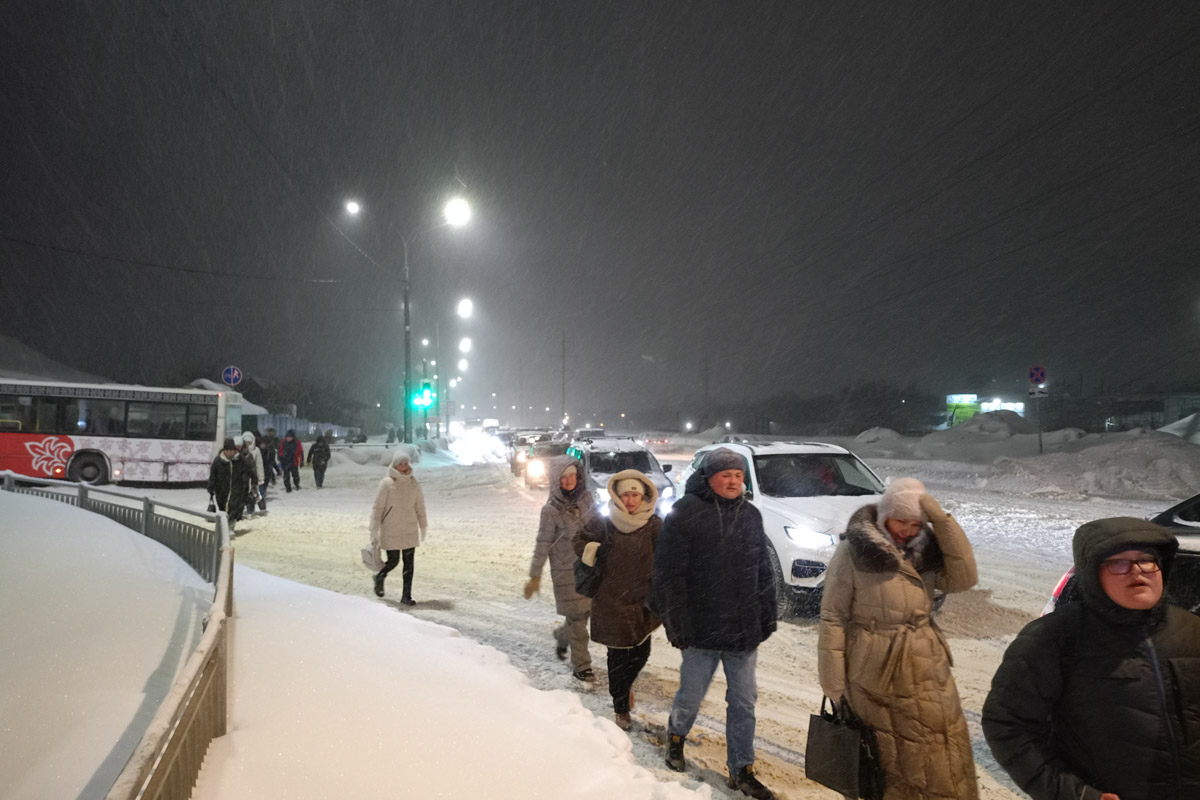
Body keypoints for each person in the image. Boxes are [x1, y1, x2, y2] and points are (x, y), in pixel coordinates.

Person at [982, 517, 1200, 800]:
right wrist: (1077, 795)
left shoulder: (1192, 631)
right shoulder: (1054, 638)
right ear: (1092, 574)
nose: (1137, 572)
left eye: (1147, 559)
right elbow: (1008, 726)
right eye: (1119, 563)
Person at [817, 477, 979, 800]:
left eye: (915, 522)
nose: (907, 529)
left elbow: (965, 578)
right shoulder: (854, 552)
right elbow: (834, 617)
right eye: (900, 520)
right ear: (884, 515)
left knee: (940, 752)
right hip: (874, 670)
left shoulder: (926, 550)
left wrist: (941, 520)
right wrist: (833, 684)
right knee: (889, 762)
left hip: (927, 664)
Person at [651, 447, 777, 799]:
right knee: (690, 697)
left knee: (744, 702)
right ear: (709, 478)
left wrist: (766, 613)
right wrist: (675, 622)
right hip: (700, 630)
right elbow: (668, 575)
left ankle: (742, 769)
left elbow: (762, 569)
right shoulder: (685, 513)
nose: (734, 481)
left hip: (742, 631)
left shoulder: (751, 516)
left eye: (739, 475)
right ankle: (676, 737)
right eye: (727, 475)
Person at [573, 470, 662, 730]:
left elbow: (666, 554)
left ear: (643, 495)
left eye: (635, 494)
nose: (631, 500)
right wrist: (592, 550)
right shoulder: (605, 522)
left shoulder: (654, 523)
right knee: (617, 656)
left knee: (641, 652)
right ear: (617, 496)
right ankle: (621, 707)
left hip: (642, 601)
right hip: (611, 599)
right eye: (626, 495)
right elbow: (578, 539)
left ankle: (626, 686)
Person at [524, 456, 596, 681]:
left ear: (579, 476)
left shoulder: (587, 500)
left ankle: (562, 635)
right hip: (566, 571)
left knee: (584, 614)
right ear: (556, 480)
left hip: (589, 568)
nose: (568, 481)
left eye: (572, 475)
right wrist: (535, 576)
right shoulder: (551, 510)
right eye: (563, 477)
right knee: (577, 619)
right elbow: (542, 543)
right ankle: (582, 666)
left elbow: (598, 530)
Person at [368, 451, 427, 605]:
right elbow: (378, 507)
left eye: (406, 463)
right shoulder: (386, 483)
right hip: (391, 528)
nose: (404, 466)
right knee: (393, 561)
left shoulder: (414, 483)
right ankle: (380, 576)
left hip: (409, 528)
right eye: (401, 463)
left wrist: (423, 525)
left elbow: (420, 506)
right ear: (395, 465)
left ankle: (406, 596)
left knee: (409, 565)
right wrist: (374, 528)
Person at [207, 437, 250, 528]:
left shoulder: (240, 460)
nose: (230, 453)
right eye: (228, 450)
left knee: (233, 508)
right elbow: (213, 475)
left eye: (232, 450)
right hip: (221, 490)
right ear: (224, 450)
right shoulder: (218, 461)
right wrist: (211, 487)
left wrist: (250, 482)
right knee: (223, 509)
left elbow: (247, 471)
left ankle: (230, 527)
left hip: (236, 489)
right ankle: (224, 527)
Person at [240, 431, 264, 518]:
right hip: (242, 477)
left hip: (253, 476)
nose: (248, 444)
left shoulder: (256, 450)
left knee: (252, 495)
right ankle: (240, 510)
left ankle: (251, 511)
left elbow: (259, 464)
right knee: (242, 495)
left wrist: (261, 477)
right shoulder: (240, 450)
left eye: (249, 442)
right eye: (246, 442)